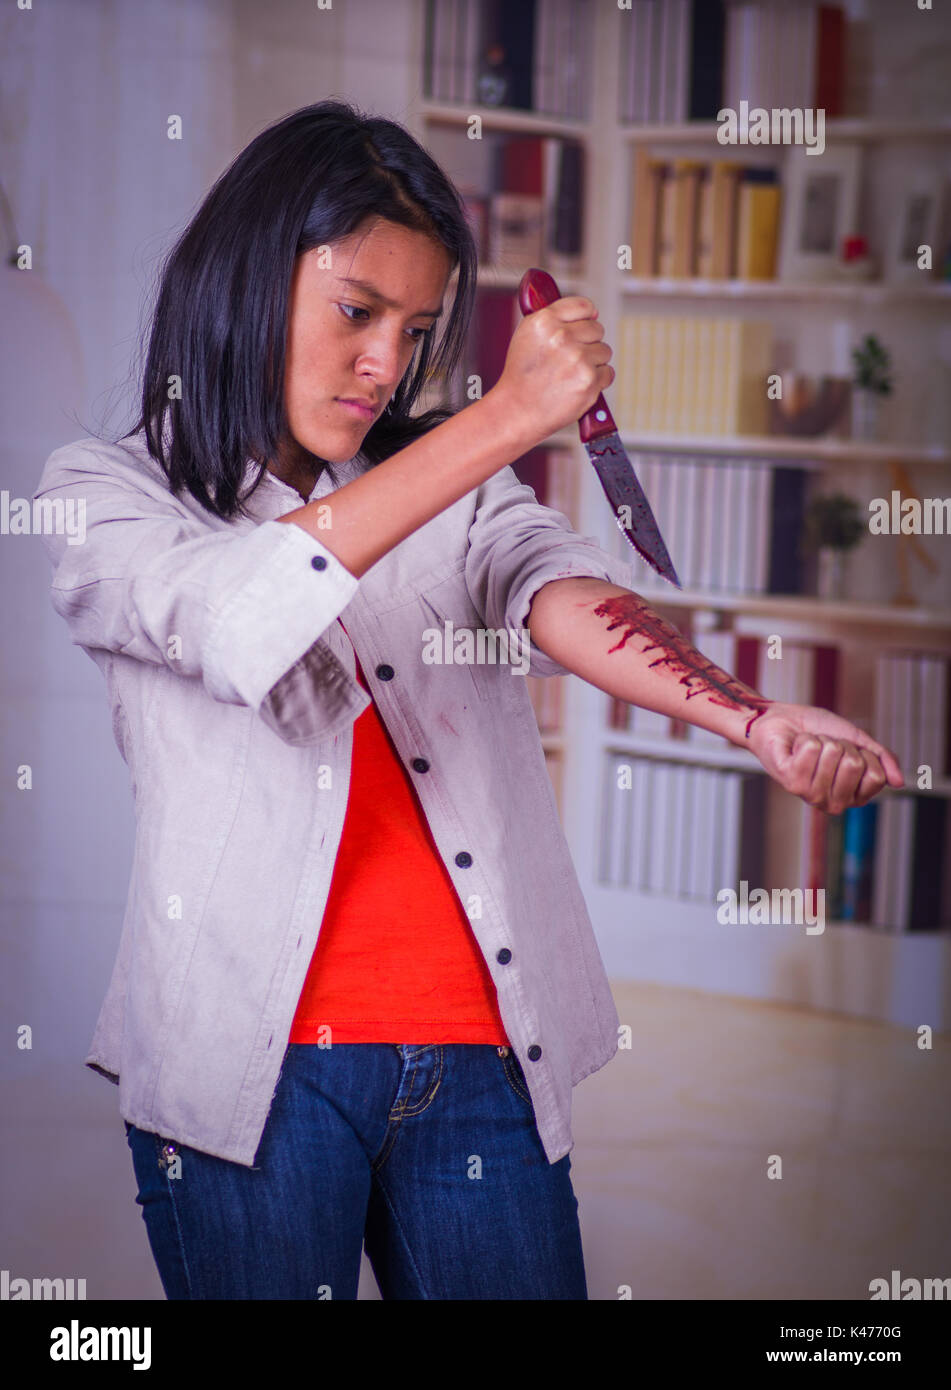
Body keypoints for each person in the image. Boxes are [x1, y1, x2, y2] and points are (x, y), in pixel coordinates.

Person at [33, 100, 903, 1301]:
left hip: (481, 1048)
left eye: (419, 327)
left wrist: (755, 720)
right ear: (248, 274)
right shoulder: (106, 493)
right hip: (248, 1074)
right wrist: (505, 420)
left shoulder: (445, 479)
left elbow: (551, 588)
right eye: (357, 311)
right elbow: (234, 620)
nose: (387, 363)